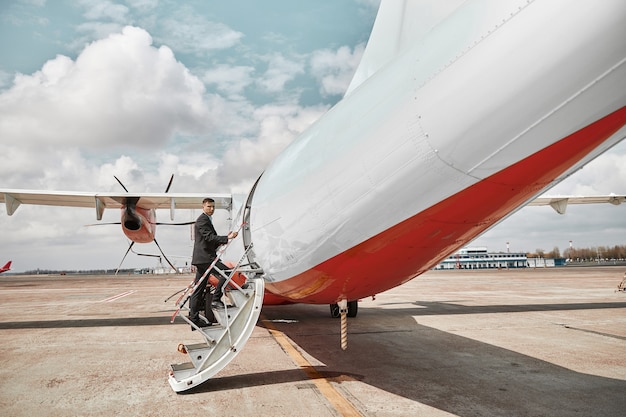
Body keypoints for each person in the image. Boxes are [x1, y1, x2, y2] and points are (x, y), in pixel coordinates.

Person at [189, 198, 238, 329]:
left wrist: (225, 238)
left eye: (213, 207)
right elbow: (209, 237)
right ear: (203, 207)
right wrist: (227, 238)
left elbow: (211, 240)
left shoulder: (207, 220)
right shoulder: (202, 220)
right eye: (209, 206)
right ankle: (216, 300)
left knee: (198, 290)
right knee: (226, 273)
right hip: (206, 259)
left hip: (204, 258)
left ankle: (194, 319)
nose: (211, 209)